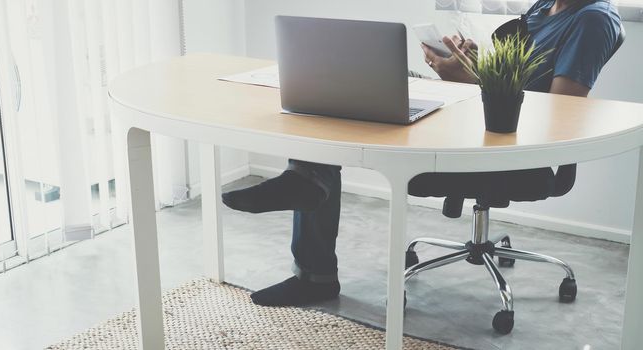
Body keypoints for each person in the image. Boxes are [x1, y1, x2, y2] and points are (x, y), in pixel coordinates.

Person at [222, 0, 622, 307]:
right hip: (473, 118)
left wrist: (471, 79)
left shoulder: (593, 20)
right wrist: (464, 65)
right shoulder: (545, 6)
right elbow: (510, 73)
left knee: (356, 100)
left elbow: (562, 113)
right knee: (348, 87)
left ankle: (314, 252)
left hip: (505, 148)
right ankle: (309, 183)